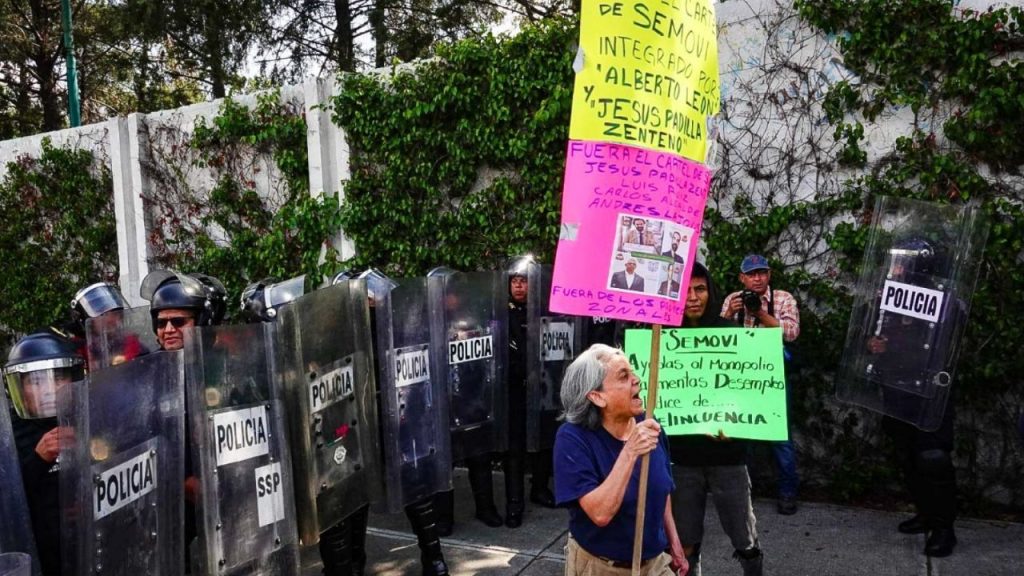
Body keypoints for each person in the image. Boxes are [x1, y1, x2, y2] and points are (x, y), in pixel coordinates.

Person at [554, 344, 686, 576]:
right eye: (624, 376)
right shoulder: (573, 438)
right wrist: (630, 451)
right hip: (601, 567)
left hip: (655, 563)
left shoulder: (649, 424)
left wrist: (674, 543)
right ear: (597, 397)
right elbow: (600, 514)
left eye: (633, 372)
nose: (636, 380)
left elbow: (661, 489)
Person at [866, 238, 958, 557]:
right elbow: (875, 332)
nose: (898, 268)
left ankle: (944, 527)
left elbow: (948, 345)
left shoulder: (946, 301)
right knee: (906, 453)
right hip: (896, 385)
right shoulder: (889, 297)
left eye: (904, 263)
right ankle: (926, 513)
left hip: (929, 389)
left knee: (932, 457)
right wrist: (872, 345)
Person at [670, 263, 762, 576]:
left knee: (744, 538)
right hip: (680, 457)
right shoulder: (661, 338)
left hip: (728, 455)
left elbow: (755, 393)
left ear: (710, 292)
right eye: (685, 290)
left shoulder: (733, 334)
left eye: (700, 289)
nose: (693, 297)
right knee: (684, 542)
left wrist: (735, 429)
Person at [720, 254, 801, 515]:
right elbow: (718, 337)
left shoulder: (783, 298)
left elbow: (791, 333)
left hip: (773, 375)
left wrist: (759, 313)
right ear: (742, 278)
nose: (757, 278)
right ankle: (744, 491)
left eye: (762, 273)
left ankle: (788, 493)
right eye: (751, 274)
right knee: (743, 434)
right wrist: (730, 312)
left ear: (769, 275)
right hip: (742, 375)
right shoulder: (733, 300)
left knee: (780, 436)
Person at [4, 329, 86, 576]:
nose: (49, 389)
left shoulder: (90, 419)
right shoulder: (7, 435)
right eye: (35, 381)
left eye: (58, 377)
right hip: (38, 555)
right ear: (19, 387)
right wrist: (38, 459)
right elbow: (6, 506)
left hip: (90, 545)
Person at [505, 263, 556, 530]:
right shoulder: (501, 314)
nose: (519, 286)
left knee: (545, 438)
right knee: (514, 448)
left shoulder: (545, 311)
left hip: (543, 387)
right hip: (513, 390)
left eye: (524, 281)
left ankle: (540, 487)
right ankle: (514, 504)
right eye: (514, 280)